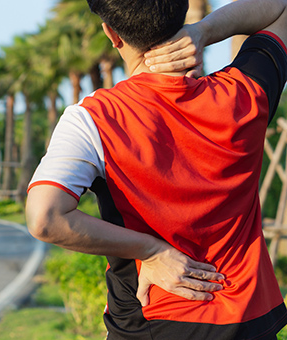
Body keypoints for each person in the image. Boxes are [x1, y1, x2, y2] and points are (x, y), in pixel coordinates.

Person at [26, 0, 287, 338]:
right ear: (181, 13)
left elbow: (45, 218)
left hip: (151, 321)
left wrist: (150, 250)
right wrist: (204, 31)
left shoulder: (94, 119)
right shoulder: (245, 94)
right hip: (249, 321)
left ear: (112, 34)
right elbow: (279, 8)